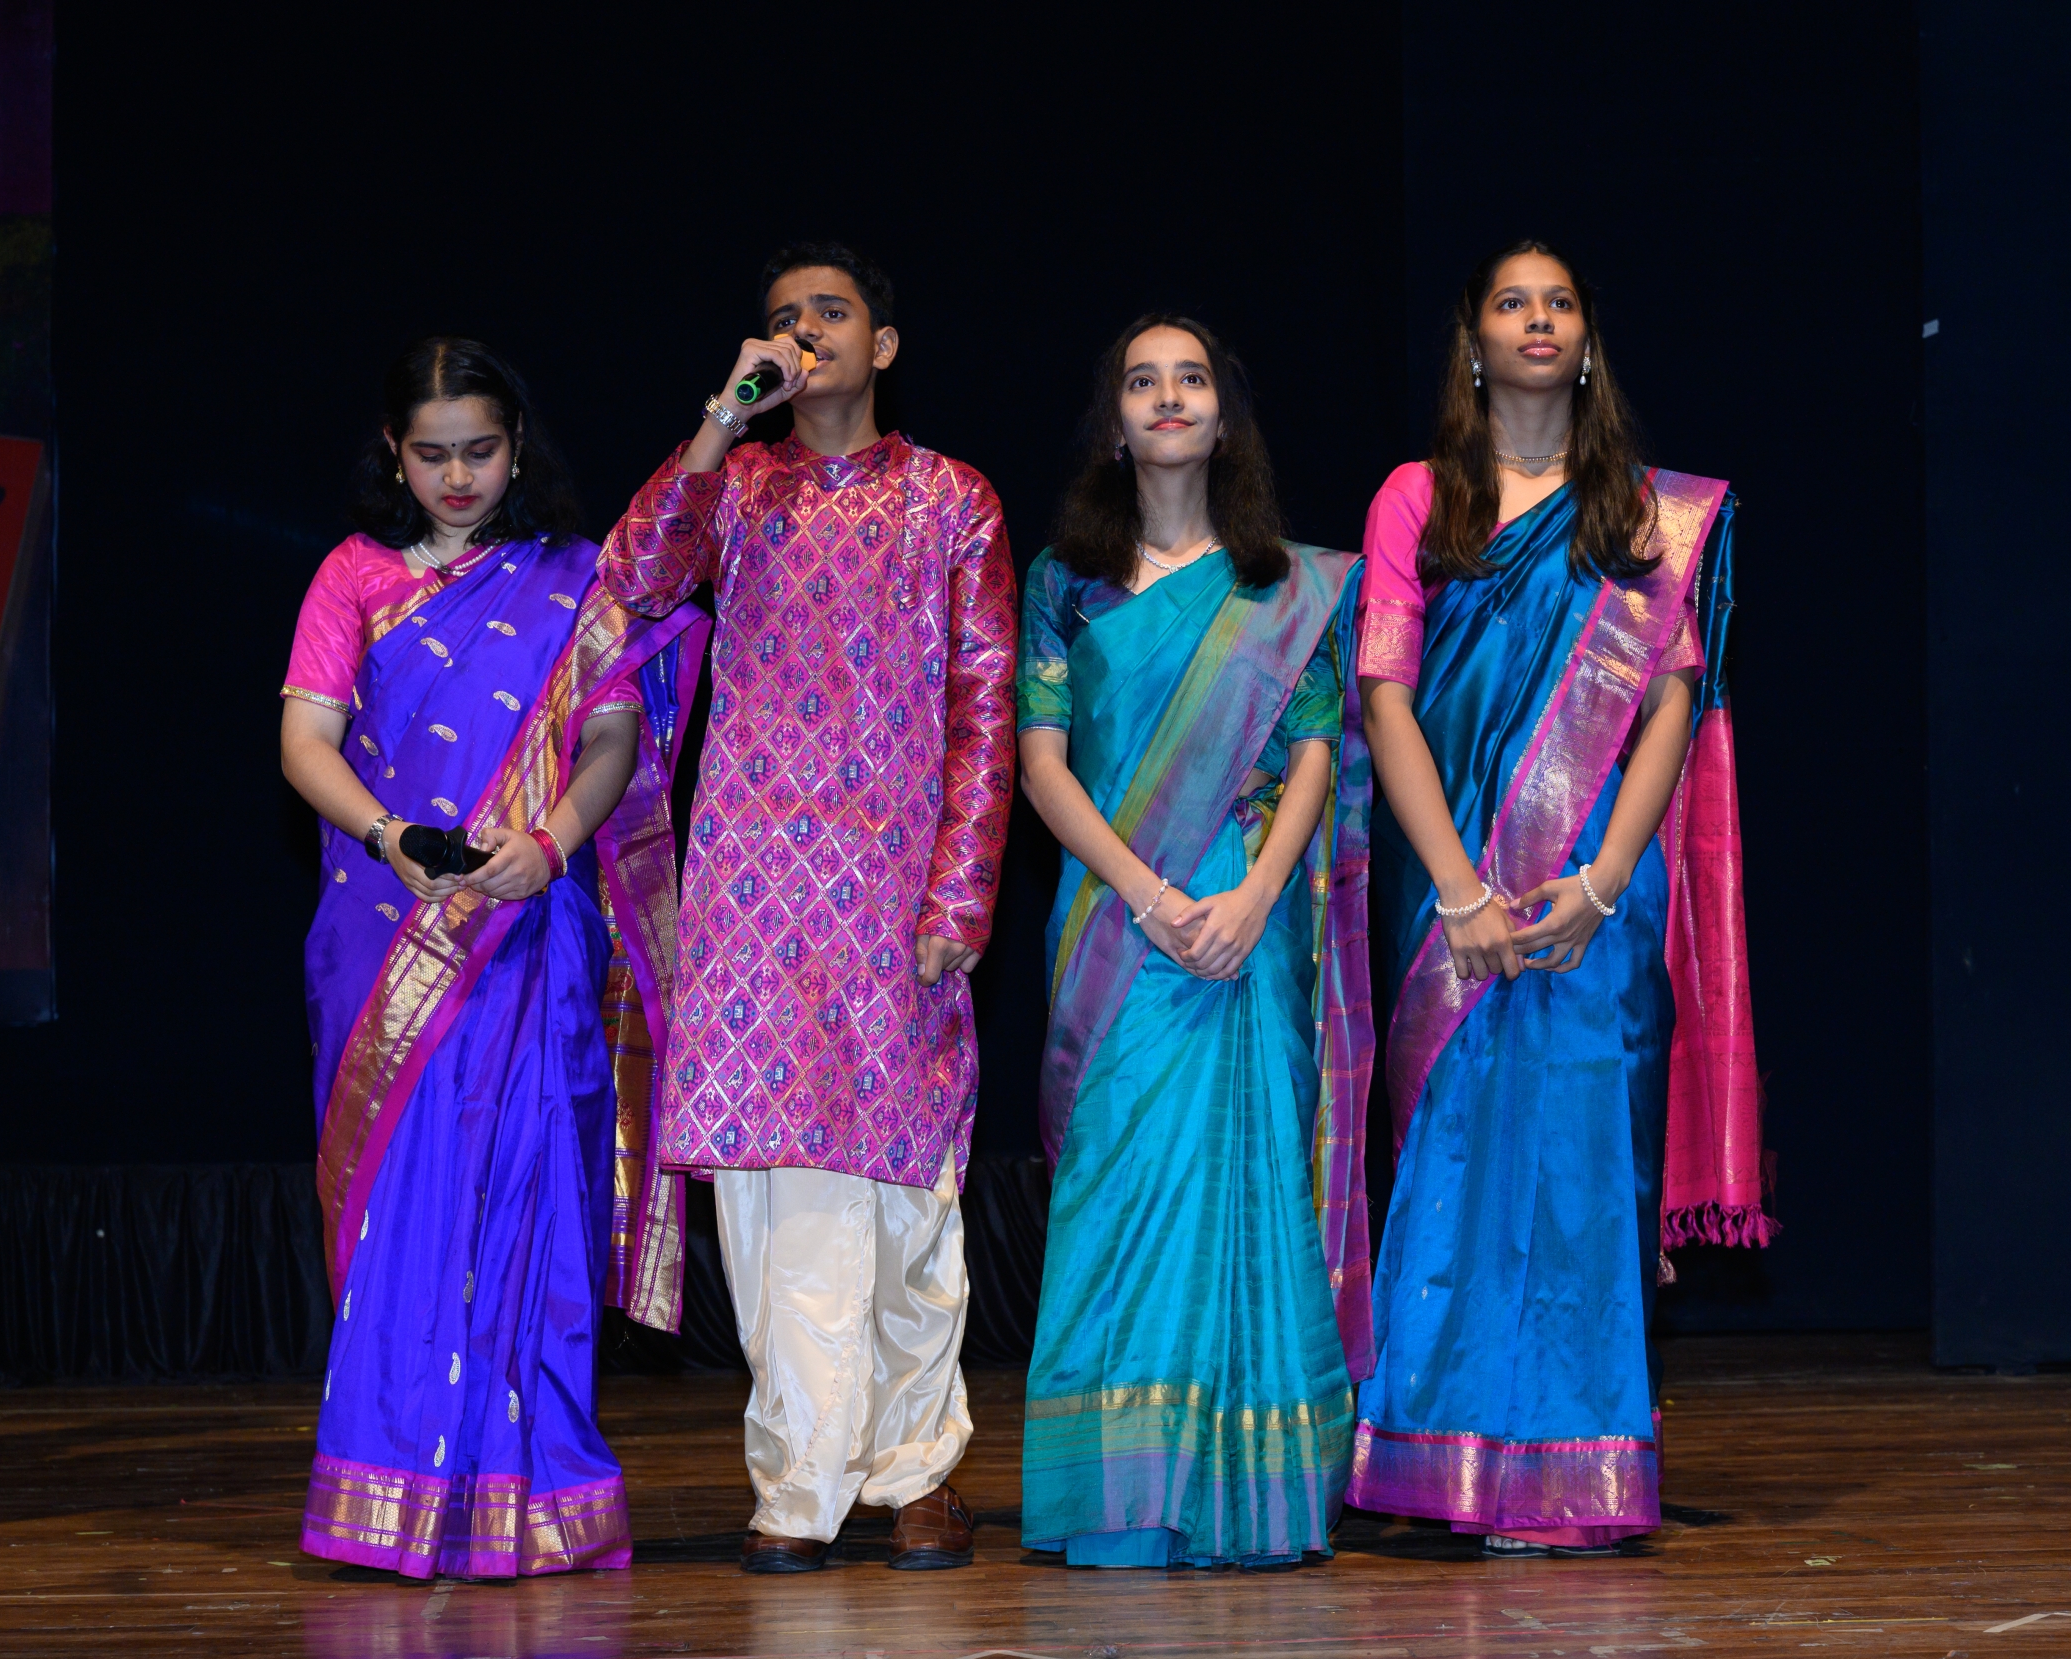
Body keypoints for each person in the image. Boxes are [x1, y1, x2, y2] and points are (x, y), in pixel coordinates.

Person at [598, 242, 1016, 1574]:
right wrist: (719, 421)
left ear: (882, 343)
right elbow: (632, 580)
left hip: (895, 884)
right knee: (773, 1194)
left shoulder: (952, 498)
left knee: (904, 1189)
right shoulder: (735, 486)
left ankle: (914, 1473)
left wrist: (961, 888)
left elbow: (987, 704)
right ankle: (795, 1483)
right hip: (752, 889)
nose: (804, 332)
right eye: (783, 318)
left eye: (829, 312)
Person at [1347, 241, 1760, 1557]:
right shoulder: (1419, 498)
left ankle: (1573, 1471)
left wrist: (1600, 880)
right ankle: (1441, 1458)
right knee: (1454, 1161)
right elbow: (1384, 698)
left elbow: (1672, 702)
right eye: (1512, 302)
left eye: (1560, 302)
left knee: (1584, 1169)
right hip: (1451, 891)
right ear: (1473, 341)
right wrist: (1458, 889)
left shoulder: (1642, 512)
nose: (1538, 319)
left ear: (1585, 341)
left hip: (1595, 887)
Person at [280, 338, 706, 1579]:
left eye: (480, 450)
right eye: (432, 454)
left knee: (530, 1194)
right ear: (393, 454)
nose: (458, 476)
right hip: (385, 924)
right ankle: (391, 1484)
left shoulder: (575, 579)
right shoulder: (353, 576)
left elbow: (612, 739)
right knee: (403, 1202)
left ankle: (535, 1487)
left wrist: (551, 842)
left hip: (527, 929)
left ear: (517, 447)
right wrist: (390, 834)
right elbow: (305, 742)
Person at [1016, 315, 1375, 1571]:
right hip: (1119, 917)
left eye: (1191, 379)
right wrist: (1151, 897)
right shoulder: (1066, 580)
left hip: (1243, 915)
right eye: (1141, 381)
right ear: (1115, 423)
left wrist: (1255, 897)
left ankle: (1249, 1498)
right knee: (1117, 1190)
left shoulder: (1288, 584)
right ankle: (1118, 1499)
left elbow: (1316, 751)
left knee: (1247, 1183)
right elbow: (1042, 765)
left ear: (1224, 419)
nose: (1167, 397)